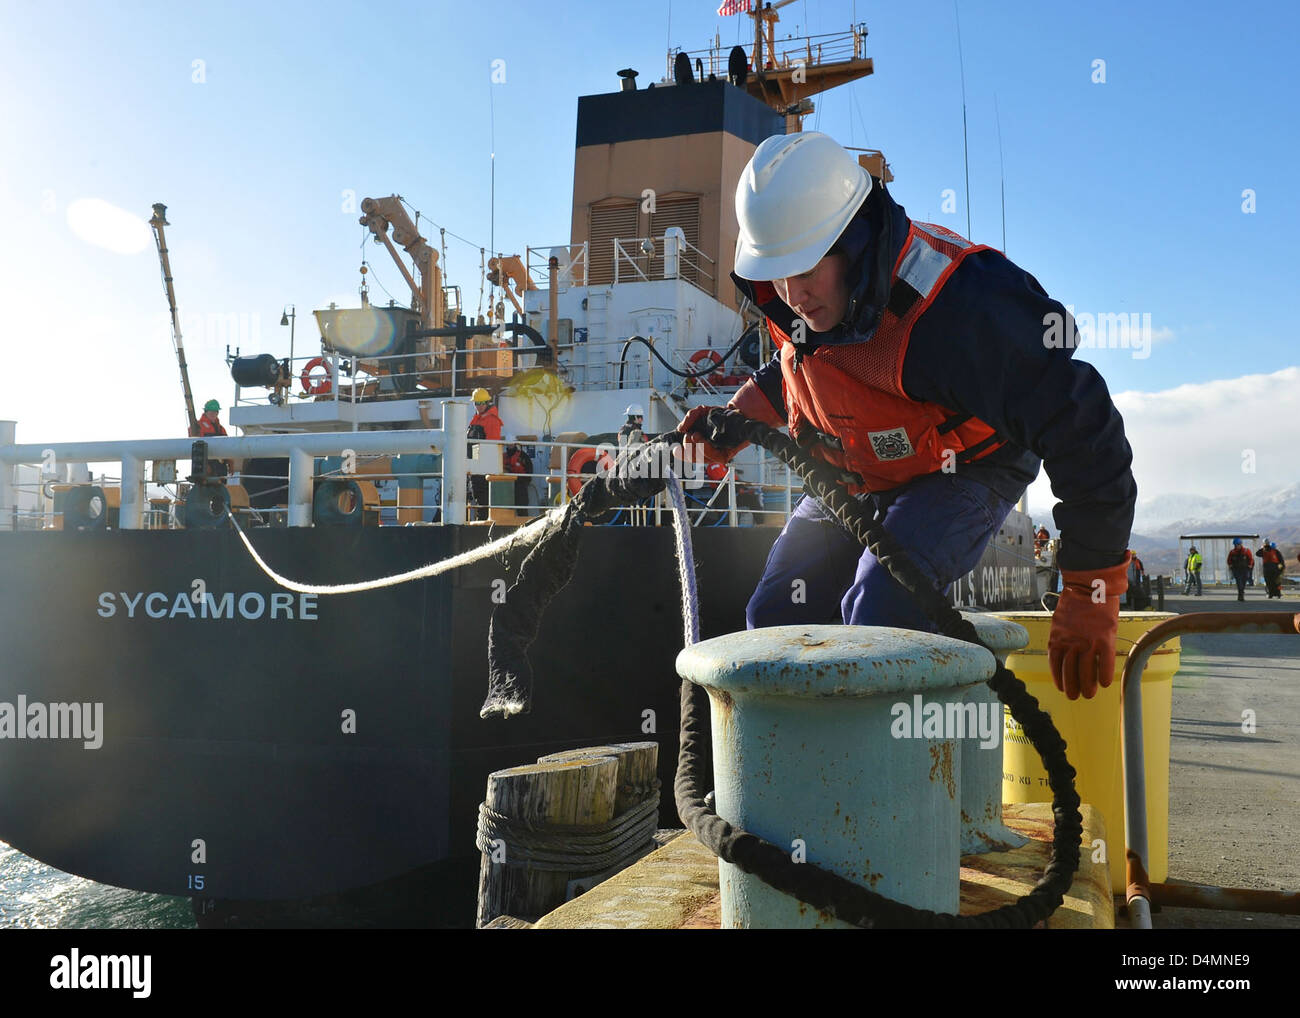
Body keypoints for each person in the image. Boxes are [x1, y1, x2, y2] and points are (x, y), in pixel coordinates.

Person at [678, 131, 1136, 702]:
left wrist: (1091, 588)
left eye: (806, 267)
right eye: (778, 272)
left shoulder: (960, 310)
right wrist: (731, 423)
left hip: (963, 470)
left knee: (882, 612)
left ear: (856, 240)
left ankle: (884, 781)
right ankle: (794, 779)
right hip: (852, 472)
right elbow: (799, 367)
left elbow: (1083, 428)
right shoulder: (811, 297)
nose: (792, 293)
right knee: (775, 617)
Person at [467, 388, 502, 521]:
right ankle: (479, 519)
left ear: (487, 402)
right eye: (476, 403)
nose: (479, 406)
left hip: (484, 466)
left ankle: (483, 520)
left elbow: (491, 446)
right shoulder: (476, 419)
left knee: (483, 496)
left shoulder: (492, 420)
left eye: (481, 403)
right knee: (476, 495)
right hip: (475, 465)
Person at [502, 438, 533, 514]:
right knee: (506, 510)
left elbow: (529, 470)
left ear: (515, 444)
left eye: (511, 443)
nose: (510, 445)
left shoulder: (523, 456)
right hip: (506, 487)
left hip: (521, 485)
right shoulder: (503, 456)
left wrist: (524, 482)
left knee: (522, 508)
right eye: (508, 444)